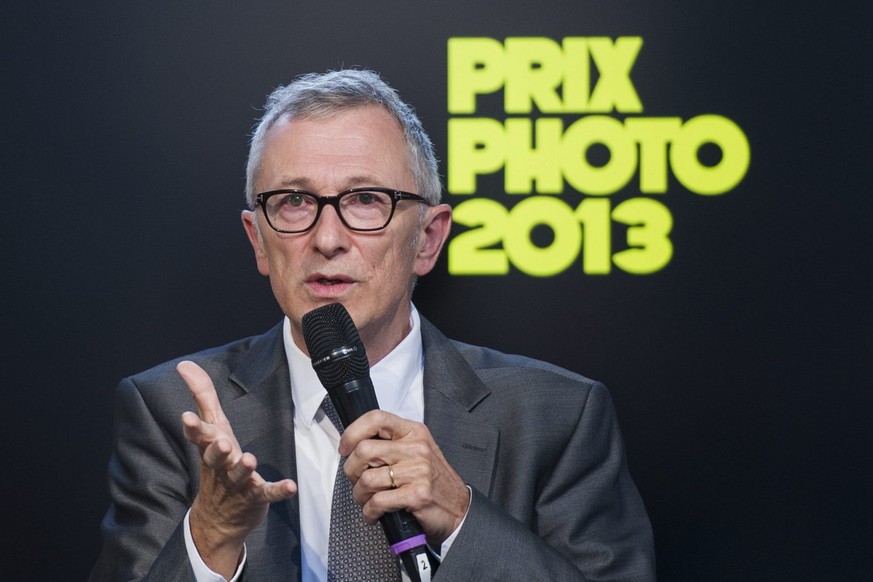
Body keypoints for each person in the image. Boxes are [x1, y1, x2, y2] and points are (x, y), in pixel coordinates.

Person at [90, 69, 656, 581]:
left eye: (365, 200)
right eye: (292, 202)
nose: (327, 239)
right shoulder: (169, 410)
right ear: (257, 240)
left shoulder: (557, 416)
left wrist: (462, 517)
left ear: (428, 239)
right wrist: (210, 534)